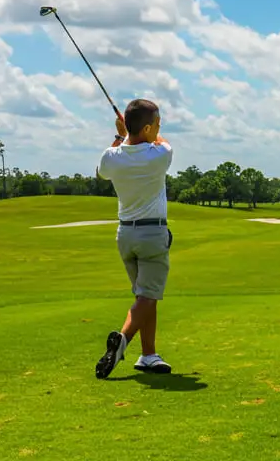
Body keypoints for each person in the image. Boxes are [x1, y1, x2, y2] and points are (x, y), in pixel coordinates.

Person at [93, 98, 174, 378]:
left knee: (145, 297)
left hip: (125, 234)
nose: (160, 126)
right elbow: (161, 141)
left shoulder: (110, 157)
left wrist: (121, 135)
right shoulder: (159, 155)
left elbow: (101, 172)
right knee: (148, 295)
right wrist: (132, 132)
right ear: (150, 128)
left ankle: (149, 355)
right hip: (152, 233)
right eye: (158, 123)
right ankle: (123, 341)